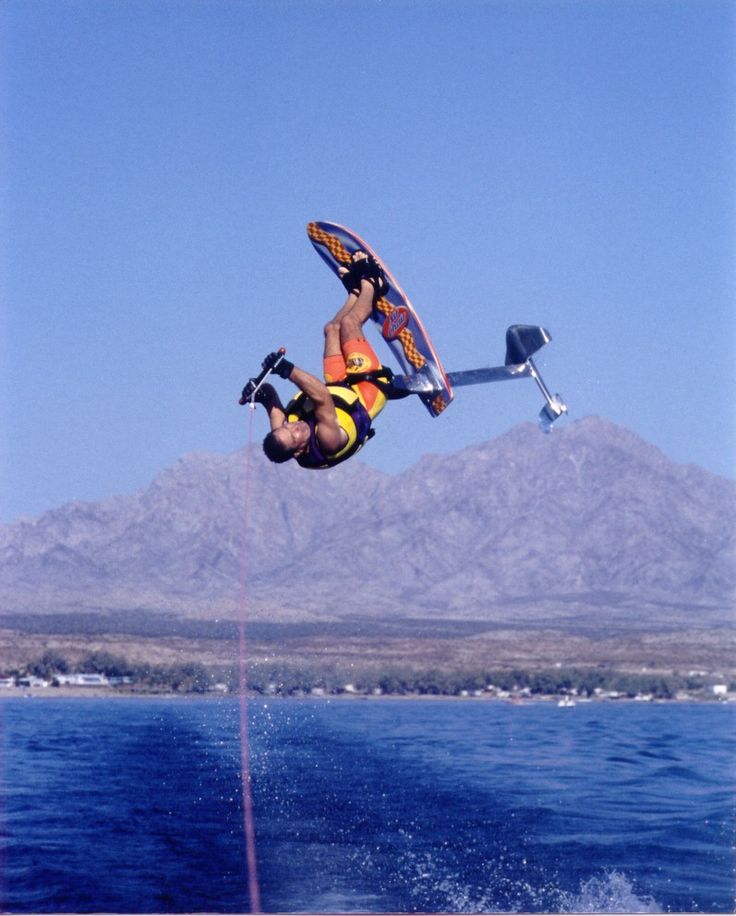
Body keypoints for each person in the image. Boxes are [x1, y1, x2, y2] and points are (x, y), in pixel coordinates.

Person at [253, 253, 392, 469]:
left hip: (341, 387)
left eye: (287, 428)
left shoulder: (283, 432)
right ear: (298, 450)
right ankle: (373, 283)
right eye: (294, 434)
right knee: (349, 324)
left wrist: (258, 391)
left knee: (331, 330)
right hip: (367, 391)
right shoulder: (328, 441)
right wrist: (287, 369)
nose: (294, 426)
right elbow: (321, 396)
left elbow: (270, 398)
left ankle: (355, 294)